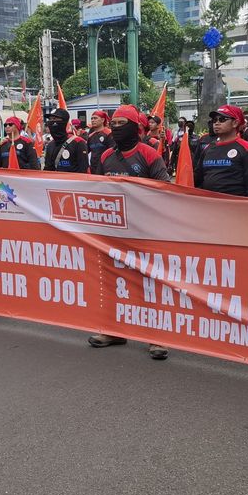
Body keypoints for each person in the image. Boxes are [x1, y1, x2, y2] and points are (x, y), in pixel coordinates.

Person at [89, 104, 170, 359]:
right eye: (113, 123)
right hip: (113, 231)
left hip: (144, 231)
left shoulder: (149, 154)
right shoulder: (105, 157)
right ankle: (114, 331)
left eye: (122, 124)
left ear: (135, 128)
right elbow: (97, 190)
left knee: (148, 284)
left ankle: (156, 337)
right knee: (112, 281)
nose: (115, 127)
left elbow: (165, 189)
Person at [194, 105, 248, 197]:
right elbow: (197, 178)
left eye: (222, 119)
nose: (217, 123)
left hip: (235, 207)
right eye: (214, 120)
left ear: (235, 123)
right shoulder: (208, 148)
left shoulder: (246, 149)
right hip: (210, 205)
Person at [44, 108, 89, 173]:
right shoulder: (50, 145)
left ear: (64, 122)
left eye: (55, 119)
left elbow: (83, 169)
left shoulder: (78, 143)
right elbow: (48, 170)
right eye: (50, 119)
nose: (51, 122)